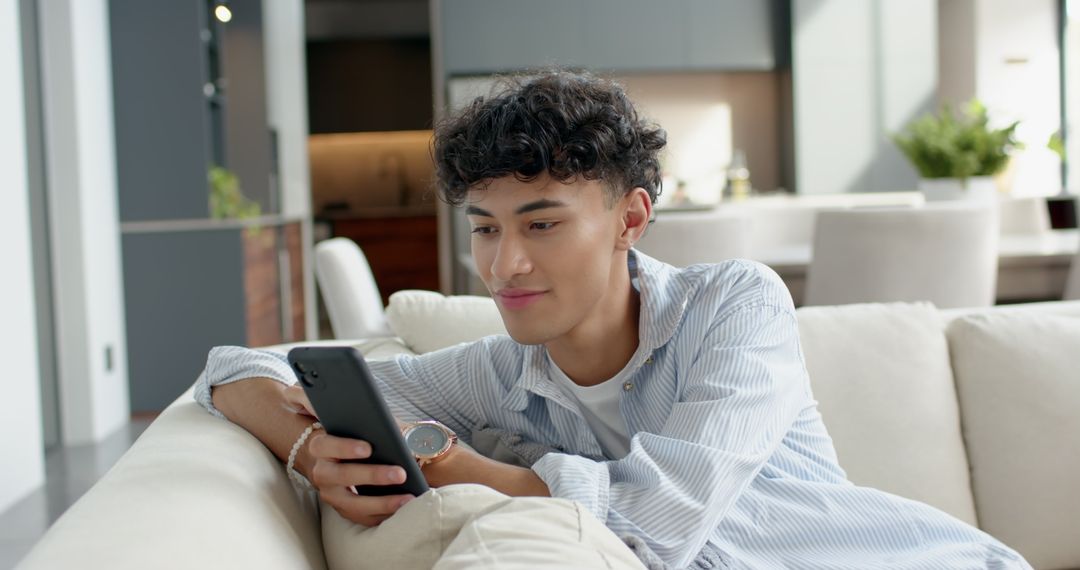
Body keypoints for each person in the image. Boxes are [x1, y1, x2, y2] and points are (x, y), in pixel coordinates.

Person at [196, 70, 1030, 569]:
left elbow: (656, 525)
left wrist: (452, 464)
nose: (503, 265)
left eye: (541, 224)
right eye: (485, 228)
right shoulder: (497, 372)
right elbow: (233, 371)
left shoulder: (733, 306)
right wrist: (307, 450)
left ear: (630, 219)